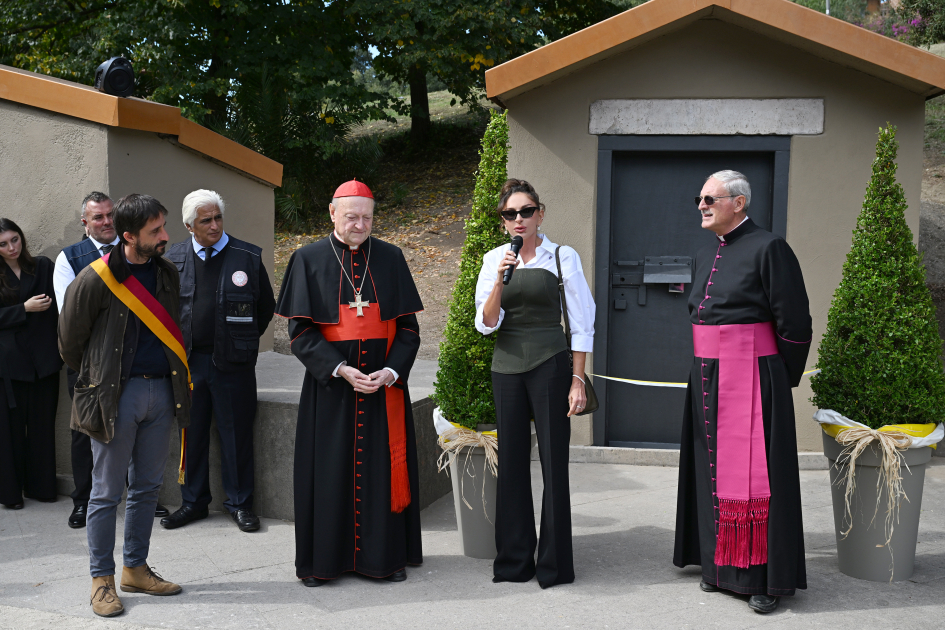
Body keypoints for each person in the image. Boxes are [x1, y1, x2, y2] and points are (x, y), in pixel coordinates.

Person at [673, 171, 812, 614]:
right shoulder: (704, 252)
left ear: (738, 202)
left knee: (758, 477)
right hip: (706, 374)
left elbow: (795, 323)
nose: (701, 205)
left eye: (710, 198)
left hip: (753, 375)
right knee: (708, 467)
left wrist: (777, 378)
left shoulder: (770, 247)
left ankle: (761, 578)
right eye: (699, 198)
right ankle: (718, 567)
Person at [275, 180, 424, 586]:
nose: (360, 225)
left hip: (381, 388)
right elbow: (300, 333)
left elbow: (409, 329)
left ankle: (385, 559)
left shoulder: (391, 258)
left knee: (380, 473)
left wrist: (391, 371)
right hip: (331, 390)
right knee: (329, 475)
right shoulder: (307, 259)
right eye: (352, 216)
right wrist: (340, 369)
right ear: (332, 213)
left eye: (367, 218)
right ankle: (323, 563)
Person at [59, 194, 191, 617]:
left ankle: (135, 568)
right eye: (156, 230)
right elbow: (70, 343)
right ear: (129, 236)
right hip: (115, 397)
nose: (165, 236)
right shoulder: (95, 278)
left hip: (162, 392)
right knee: (105, 493)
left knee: (148, 488)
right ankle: (102, 579)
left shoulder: (166, 272)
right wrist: (100, 380)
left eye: (163, 226)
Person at [475, 179, 595, 589]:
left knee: (553, 462)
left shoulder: (562, 256)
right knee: (510, 463)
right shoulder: (494, 259)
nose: (519, 219)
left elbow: (581, 322)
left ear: (540, 214)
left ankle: (554, 564)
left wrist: (577, 379)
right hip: (506, 367)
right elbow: (486, 322)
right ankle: (514, 560)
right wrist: (499, 281)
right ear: (503, 220)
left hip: (550, 365)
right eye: (510, 213)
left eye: (527, 211)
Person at [54, 192, 170, 529]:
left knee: (136, 442)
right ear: (85, 222)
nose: (106, 222)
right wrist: (95, 366)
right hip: (90, 367)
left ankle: (141, 498)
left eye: (110, 215)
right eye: (99, 217)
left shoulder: (145, 257)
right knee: (86, 434)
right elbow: (69, 326)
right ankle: (82, 500)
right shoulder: (71, 259)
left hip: (139, 372)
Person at [162, 190, 275, 533]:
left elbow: (265, 308)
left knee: (236, 435)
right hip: (190, 363)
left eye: (218, 218)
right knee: (191, 434)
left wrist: (240, 343)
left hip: (233, 364)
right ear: (189, 226)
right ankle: (193, 503)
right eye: (205, 221)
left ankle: (240, 504)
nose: (214, 225)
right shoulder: (172, 259)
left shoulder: (247, 256)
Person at [0, 219, 62, 509]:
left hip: (44, 361)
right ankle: (11, 494)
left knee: (42, 428)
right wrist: (23, 309)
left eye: (15, 239)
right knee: (10, 433)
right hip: (9, 367)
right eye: (3, 244)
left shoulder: (43, 267)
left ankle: (42, 488)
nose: (11, 247)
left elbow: (62, 302)